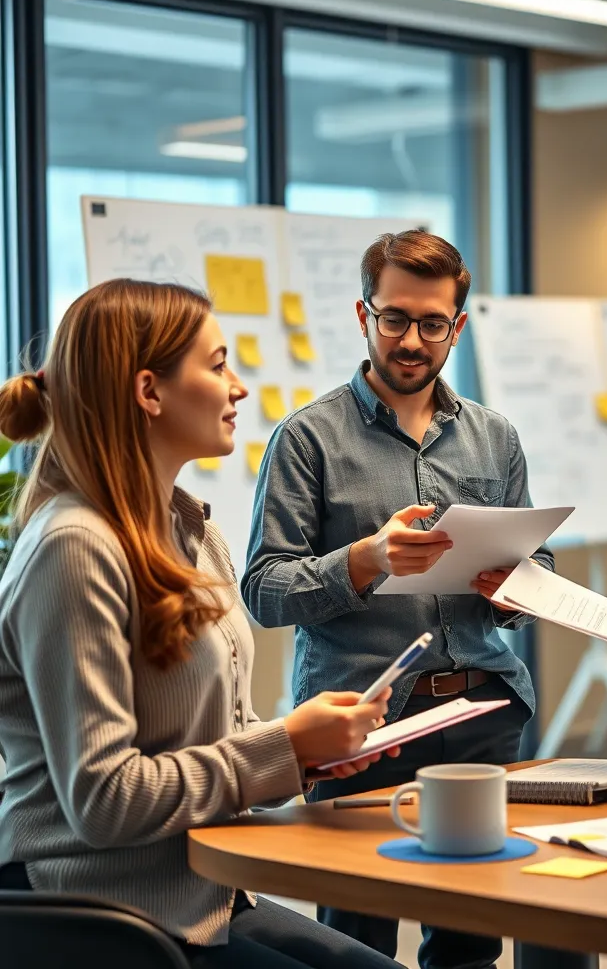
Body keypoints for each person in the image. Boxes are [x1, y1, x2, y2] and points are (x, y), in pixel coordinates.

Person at [0, 279, 402, 969]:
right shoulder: (74, 547)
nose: (238, 388)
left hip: (203, 893)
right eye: (217, 366)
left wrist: (308, 749)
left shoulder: (191, 531)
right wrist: (285, 748)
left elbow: (211, 737)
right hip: (101, 914)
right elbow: (105, 800)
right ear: (149, 392)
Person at [242, 230, 551, 968]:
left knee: (473, 932)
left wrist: (515, 588)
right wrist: (366, 560)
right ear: (363, 315)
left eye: (432, 323)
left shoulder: (494, 438)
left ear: (458, 327)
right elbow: (263, 588)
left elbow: (533, 559)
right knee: (356, 941)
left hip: (481, 709)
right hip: (360, 725)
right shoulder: (307, 439)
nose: (412, 340)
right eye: (395, 319)